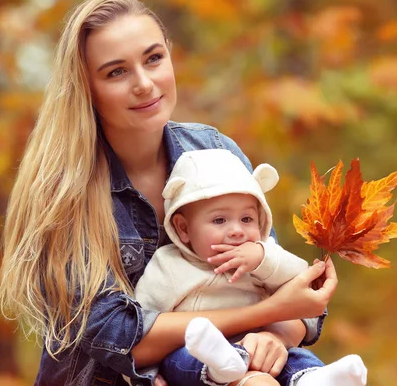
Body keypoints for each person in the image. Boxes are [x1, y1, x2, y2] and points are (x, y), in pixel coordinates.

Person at [0, 0, 338, 386]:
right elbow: (122, 340)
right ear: (86, 89)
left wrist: (274, 337)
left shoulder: (216, 152)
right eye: (116, 72)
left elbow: (275, 284)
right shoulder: (64, 192)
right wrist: (267, 314)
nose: (144, 83)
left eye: (153, 58)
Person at [132, 149, 367, 386]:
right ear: (183, 228)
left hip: (258, 345)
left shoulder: (263, 255)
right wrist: (147, 375)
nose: (237, 230)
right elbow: (143, 324)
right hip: (198, 353)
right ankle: (222, 368)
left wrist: (262, 258)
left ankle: (311, 378)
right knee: (185, 356)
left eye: (247, 219)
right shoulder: (169, 265)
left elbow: (298, 277)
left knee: (295, 357)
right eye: (219, 220)